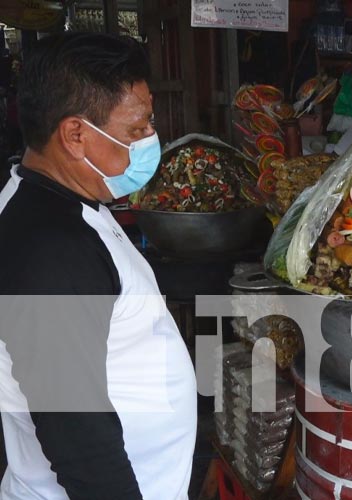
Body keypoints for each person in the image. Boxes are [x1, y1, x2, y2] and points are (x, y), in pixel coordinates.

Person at [0, 33, 196, 499]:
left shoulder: (67, 202)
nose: (151, 140)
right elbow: (75, 429)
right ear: (75, 135)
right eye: (136, 129)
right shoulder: (50, 248)